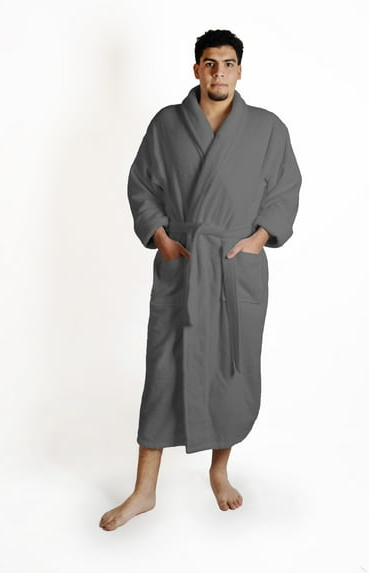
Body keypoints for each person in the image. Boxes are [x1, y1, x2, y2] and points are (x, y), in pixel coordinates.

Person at [99, 29, 301, 531]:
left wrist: (258, 238)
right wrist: (162, 238)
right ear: (196, 69)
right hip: (184, 265)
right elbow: (141, 185)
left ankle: (219, 472)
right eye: (210, 63)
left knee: (230, 371)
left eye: (228, 63)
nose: (219, 72)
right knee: (164, 373)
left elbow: (286, 189)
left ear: (240, 70)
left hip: (234, 268)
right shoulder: (167, 124)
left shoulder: (267, 128)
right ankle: (144, 490)